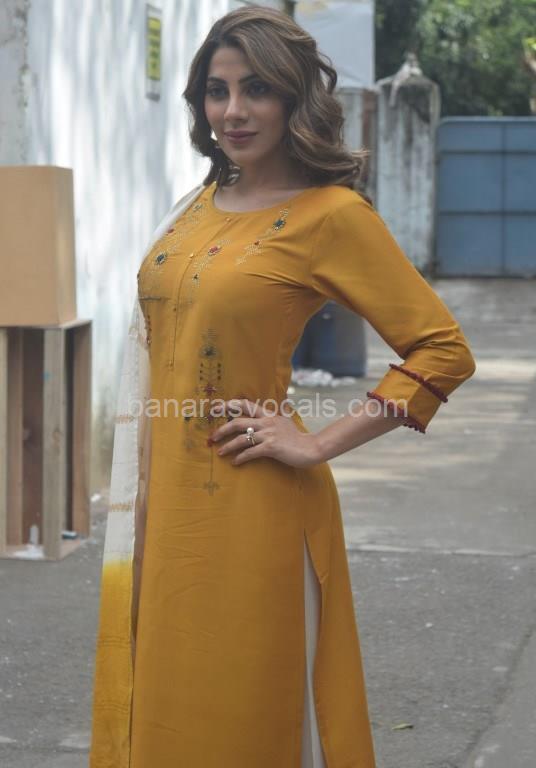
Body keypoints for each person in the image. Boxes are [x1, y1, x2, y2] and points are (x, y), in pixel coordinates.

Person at [89, 5, 476, 768]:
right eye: (217, 90)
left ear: (296, 98)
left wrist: (317, 442)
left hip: (251, 507)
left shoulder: (330, 216)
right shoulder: (196, 207)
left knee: (243, 721)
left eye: (257, 89)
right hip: (163, 509)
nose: (233, 111)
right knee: (164, 709)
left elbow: (442, 350)